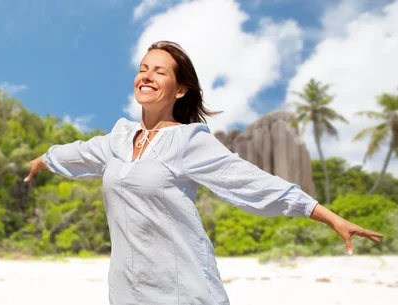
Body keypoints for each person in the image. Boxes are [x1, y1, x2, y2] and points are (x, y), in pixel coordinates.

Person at [23, 41, 383, 305]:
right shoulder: (118, 139)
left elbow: (252, 182)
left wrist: (327, 216)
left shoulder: (188, 141)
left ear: (180, 90)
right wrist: (44, 159)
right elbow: (80, 152)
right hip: (126, 291)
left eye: (159, 71)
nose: (146, 76)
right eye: (143, 69)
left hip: (182, 291)